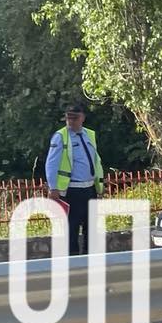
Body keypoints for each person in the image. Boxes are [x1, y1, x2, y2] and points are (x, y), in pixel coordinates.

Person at [45, 102, 104, 256]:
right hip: (72, 189)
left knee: (91, 225)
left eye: (74, 118)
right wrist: (53, 187)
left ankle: (90, 256)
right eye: (68, 118)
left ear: (82, 118)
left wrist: (99, 187)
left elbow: (95, 161)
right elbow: (51, 164)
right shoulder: (60, 136)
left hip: (90, 188)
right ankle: (72, 258)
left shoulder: (89, 134)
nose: (71, 121)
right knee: (72, 226)